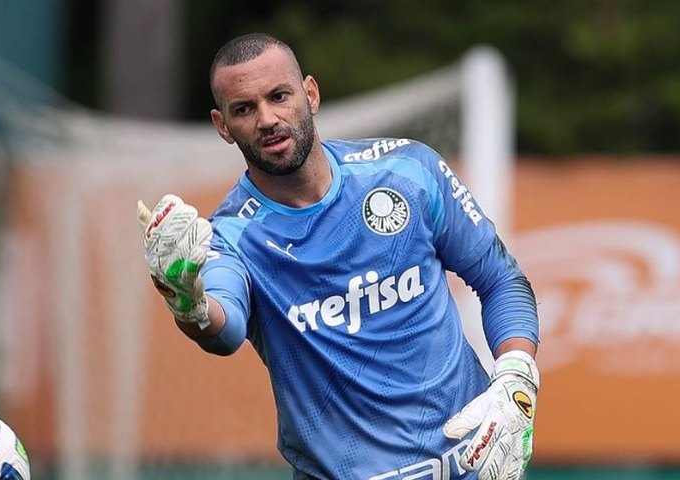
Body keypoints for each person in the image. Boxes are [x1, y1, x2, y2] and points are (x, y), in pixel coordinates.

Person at [137, 32, 539, 480]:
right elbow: (223, 329)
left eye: (279, 96)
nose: (267, 119)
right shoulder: (231, 236)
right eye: (244, 109)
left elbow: (501, 280)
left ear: (310, 94)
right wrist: (187, 303)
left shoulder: (408, 171)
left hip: (476, 465)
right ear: (222, 125)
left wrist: (517, 378)